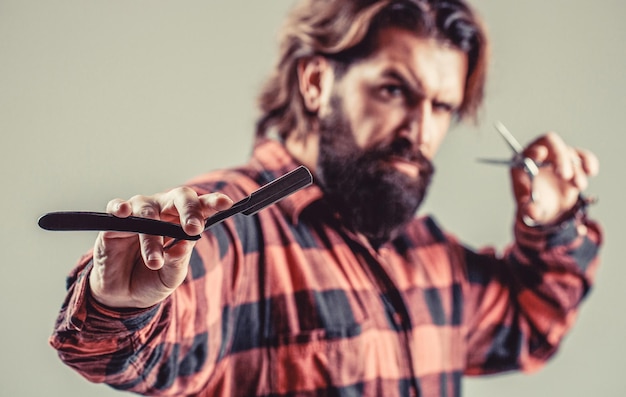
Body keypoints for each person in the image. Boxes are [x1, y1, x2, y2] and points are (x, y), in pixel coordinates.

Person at [50, 0, 602, 396]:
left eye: (440, 108)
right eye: (394, 90)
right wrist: (121, 303)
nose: (419, 130)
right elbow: (134, 351)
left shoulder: (428, 256)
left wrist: (549, 223)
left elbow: (530, 326)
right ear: (316, 82)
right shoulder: (229, 229)